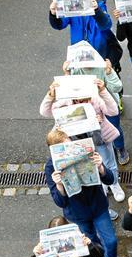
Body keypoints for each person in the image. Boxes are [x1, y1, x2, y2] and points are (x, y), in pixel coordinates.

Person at [44, 130, 124, 257]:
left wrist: (101, 167)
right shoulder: (50, 167)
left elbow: (110, 179)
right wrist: (59, 184)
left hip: (98, 206)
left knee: (111, 241)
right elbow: (60, 201)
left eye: (69, 144)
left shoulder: (85, 151)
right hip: (77, 214)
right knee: (92, 242)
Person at [40, 73, 126, 206]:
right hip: (76, 141)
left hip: (99, 138)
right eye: (79, 101)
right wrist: (50, 95)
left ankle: (114, 184)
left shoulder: (95, 99)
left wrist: (103, 91)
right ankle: (101, 185)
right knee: (88, 164)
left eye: (85, 100)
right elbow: (44, 112)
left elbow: (113, 111)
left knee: (109, 162)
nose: (83, 103)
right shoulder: (64, 103)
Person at [48, 0, 124, 81]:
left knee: (104, 80)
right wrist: (53, 13)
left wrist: (96, 10)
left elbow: (106, 24)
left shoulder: (100, 6)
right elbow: (59, 25)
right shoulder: (73, 9)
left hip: (99, 52)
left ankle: (116, 93)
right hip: (80, 54)